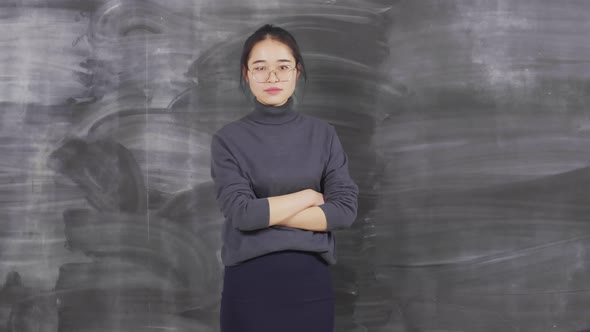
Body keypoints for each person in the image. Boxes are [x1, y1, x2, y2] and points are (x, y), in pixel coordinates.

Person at [210, 23, 359, 332]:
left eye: (283, 66)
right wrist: (307, 197)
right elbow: (241, 213)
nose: (273, 77)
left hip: (310, 287)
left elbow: (344, 210)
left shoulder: (323, 135)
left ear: (297, 70)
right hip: (249, 288)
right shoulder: (228, 139)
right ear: (246, 74)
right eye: (260, 67)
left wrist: (263, 213)